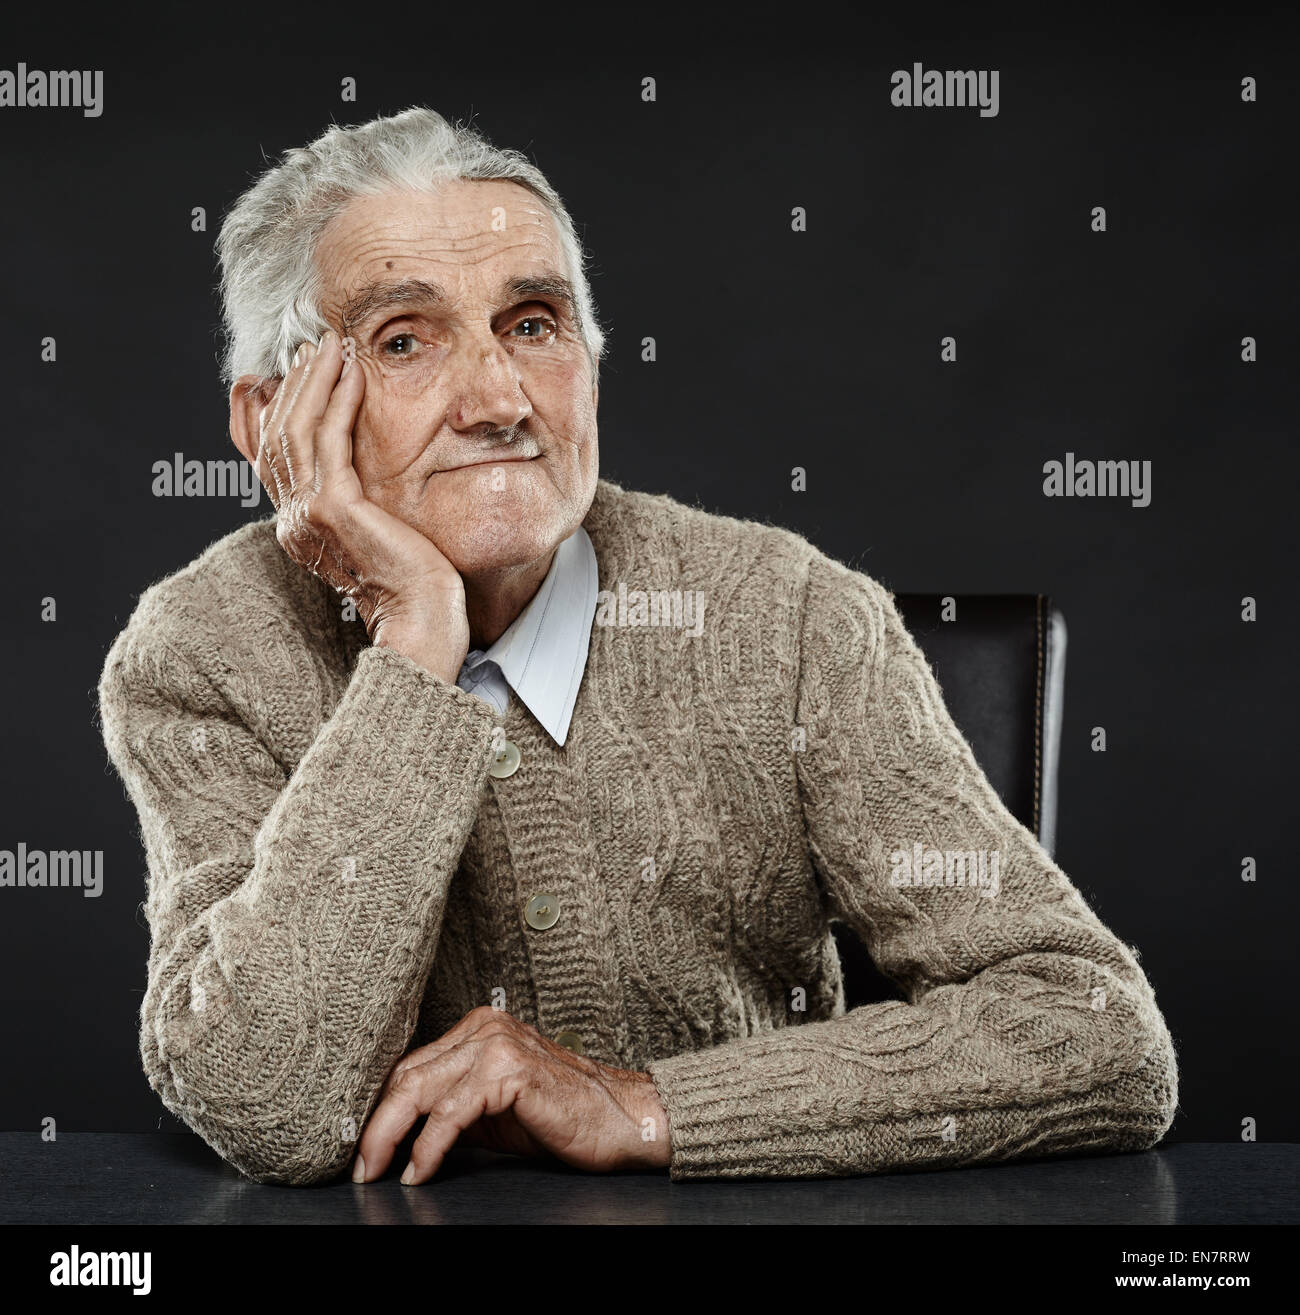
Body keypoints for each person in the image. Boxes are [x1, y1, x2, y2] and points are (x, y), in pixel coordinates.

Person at [98, 106, 1178, 1187]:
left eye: (531, 323)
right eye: (403, 341)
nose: (499, 400)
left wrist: (645, 1106)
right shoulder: (200, 654)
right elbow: (266, 1100)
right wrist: (416, 632)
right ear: (270, 421)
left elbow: (1096, 1035)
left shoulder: (789, 616)